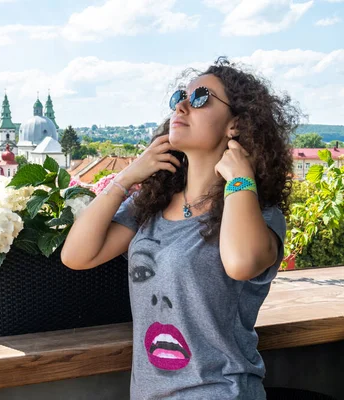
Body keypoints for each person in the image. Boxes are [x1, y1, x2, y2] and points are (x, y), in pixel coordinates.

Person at [61, 57, 298, 399]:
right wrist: (126, 178)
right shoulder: (152, 205)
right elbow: (77, 255)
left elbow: (241, 262)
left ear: (235, 125)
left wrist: (241, 179)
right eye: (178, 98)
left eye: (200, 97)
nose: (182, 106)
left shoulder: (256, 210)